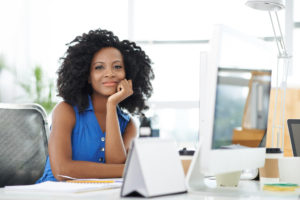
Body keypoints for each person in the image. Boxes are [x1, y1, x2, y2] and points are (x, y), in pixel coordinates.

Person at [36, 29, 154, 182]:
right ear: (87, 76)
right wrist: (130, 169)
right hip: (52, 193)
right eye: (99, 67)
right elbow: (62, 171)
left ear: (128, 74)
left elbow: (115, 163)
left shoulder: (129, 124)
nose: (110, 73)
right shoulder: (66, 111)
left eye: (117, 67)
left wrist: (111, 106)